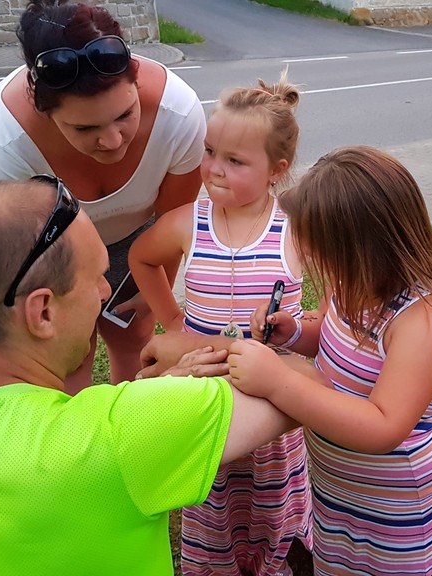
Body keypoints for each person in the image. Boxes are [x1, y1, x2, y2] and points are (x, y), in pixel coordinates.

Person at [0, 178, 297, 576]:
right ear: (43, 312)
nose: (106, 292)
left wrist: (144, 395)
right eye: (98, 278)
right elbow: (299, 384)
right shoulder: (125, 436)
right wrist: (197, 349)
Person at [228, 146, 432, 575]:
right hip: (340, 496)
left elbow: (382, 426)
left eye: (319, 247)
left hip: (400, 512)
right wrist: (296, 332)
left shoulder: (427, 319)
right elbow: (337, 337)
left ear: (364, 245)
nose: (308, 254)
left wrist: (277, 381)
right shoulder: (351, 282)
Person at [0, 0, 205, 394]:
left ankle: (127, 424)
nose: (112, 141)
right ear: (43, 110)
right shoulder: (4, 144)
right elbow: (20, 255)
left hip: (139, 237)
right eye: (84, 128)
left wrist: (156, 289)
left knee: (134, 336)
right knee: (70, 353)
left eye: (125, 115)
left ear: (136, 78)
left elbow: (172, 223)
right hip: (49, 245)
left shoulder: (178, 114)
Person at [129, 73, 312, 576]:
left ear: (277, 170)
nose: (214, 168)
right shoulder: (190, 221)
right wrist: (172, 322)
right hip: (202, 398)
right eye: (210, 152)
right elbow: (142, 257)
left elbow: (337, 298)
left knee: (271, 513)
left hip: (270, 405)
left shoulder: (294, 230)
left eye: (235, 160)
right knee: (212, 505)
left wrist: (301, 328)